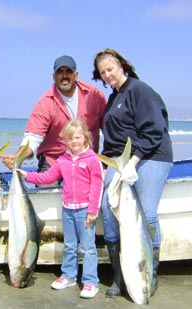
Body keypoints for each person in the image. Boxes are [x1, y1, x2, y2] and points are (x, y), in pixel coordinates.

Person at [92, 48, 173, 298]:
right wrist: (107, 166)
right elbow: (113, 140)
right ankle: (119, 276)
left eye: (111, 70)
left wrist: (134, 162)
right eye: (103, 72)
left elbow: (154, 130)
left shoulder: (139, 90)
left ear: (122, 67)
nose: (107, 75)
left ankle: (150, 272)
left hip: (151, 155)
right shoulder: (113, 98)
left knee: (146, 213)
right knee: (107, 210)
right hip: (120, 161)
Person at [17, 119, 103, 298]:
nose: (74, 142)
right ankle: (69, 275)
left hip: (85, 210)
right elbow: (48, 176)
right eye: (70, 138)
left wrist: (93, 210)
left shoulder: (92, 160)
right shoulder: (63, 160)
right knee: (70, 245)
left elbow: (97, 185)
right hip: (68, 209)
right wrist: (28, 176)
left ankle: (90, 281)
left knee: (88, 247)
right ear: (65, 141)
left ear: (86, 138)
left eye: (78, 137)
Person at [2, 55, 106, 180]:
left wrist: (107, 161)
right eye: (60, 72)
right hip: (54, 160)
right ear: (54, 76)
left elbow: (109, 128)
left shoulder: (94, 95)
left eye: (68, 72)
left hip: (87, 160)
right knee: (45, 194)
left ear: (76, 75)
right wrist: (18, 157)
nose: (64, 76)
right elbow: (33, 137)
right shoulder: (45, 102)